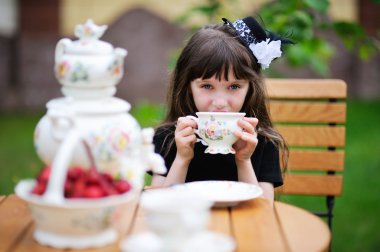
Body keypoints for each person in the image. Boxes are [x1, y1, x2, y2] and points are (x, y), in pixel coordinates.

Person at [151, 16, 292, 205]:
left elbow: (263, 210)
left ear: (250, 87)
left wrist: (244, 160)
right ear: (187, 86)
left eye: (234, 86)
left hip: (244, 232)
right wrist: (182, 159)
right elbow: (159, 205)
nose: (220, 102)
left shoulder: (261, 143)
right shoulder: (170, 139)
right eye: (207, 86)